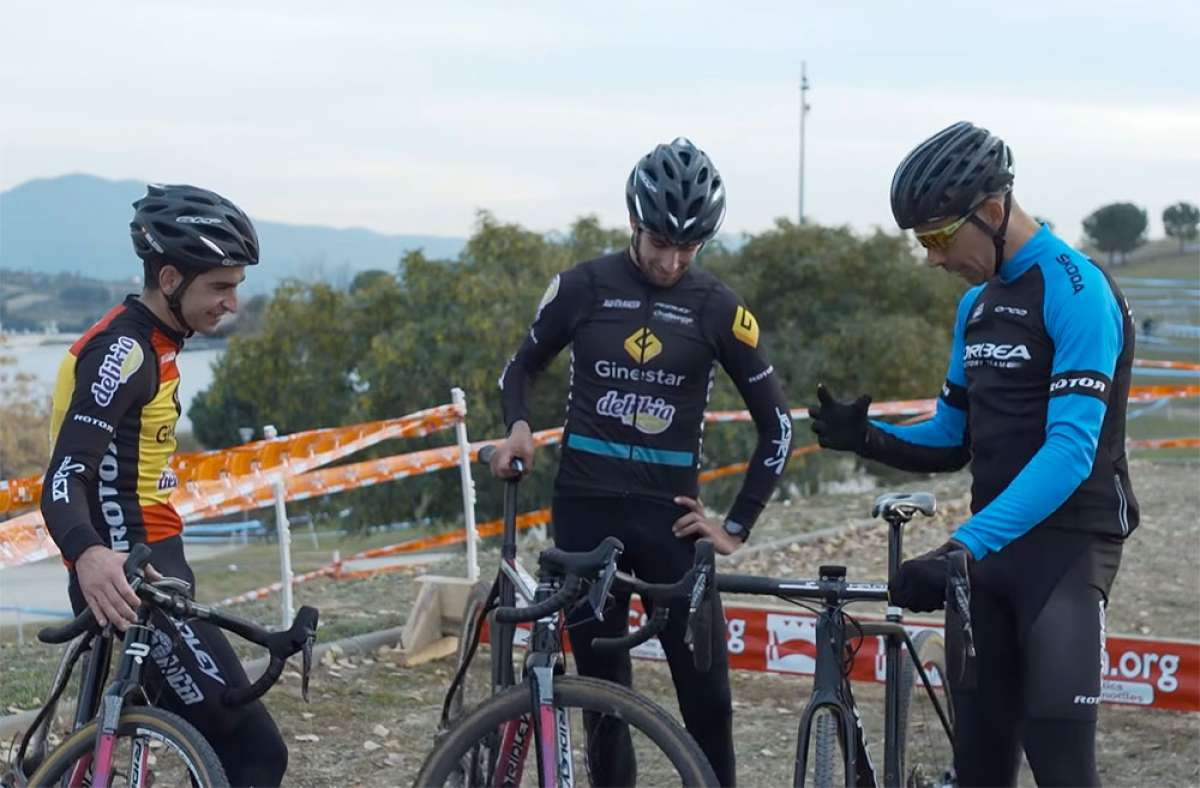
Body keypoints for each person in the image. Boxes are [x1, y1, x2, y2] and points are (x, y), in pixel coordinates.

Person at [809, 121, 1137, 786]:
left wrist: (960, 546)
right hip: (991, 553)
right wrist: (867, 439)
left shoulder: (1077, 292)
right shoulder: (977, 307)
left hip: (1067, 549)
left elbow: (1071, 451)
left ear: (991, 212)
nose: (932, 258)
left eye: (937, 238)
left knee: (1061, 767)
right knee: (981, 764)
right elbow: (952, 439)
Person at [492, 137, 792, 785]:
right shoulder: (582, 287)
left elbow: (779, 425)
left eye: (689, 247)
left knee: (707, 703)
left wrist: (736, 526)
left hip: (672, 524)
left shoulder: (720, 307)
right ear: (633, 222)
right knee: (605, 706)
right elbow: (519, 369)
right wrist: (517, 428)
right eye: (659, 241)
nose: (671, 259)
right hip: (583, 513)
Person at [40, 184, 289, 786]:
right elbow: (64, 479)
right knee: (256, 755)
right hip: (128, 584)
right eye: (221, 287)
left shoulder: (157, 342)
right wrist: (91, 555)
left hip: (152, 573)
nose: (232, 303)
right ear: (171, 278)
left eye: (237, 286)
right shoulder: (123, 352)